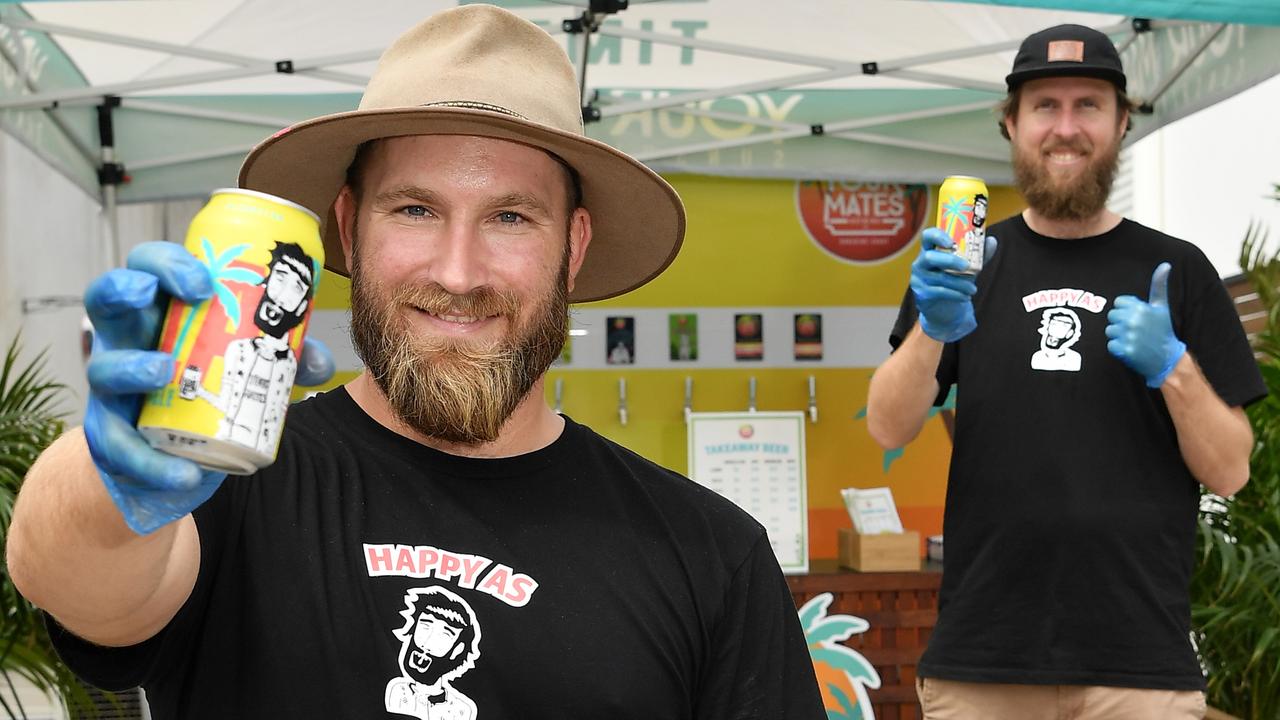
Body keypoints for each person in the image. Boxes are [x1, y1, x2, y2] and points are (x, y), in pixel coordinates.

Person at [6, 6, 825, 719]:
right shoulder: (233, 485)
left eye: (510, 216)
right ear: (350, 226)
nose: (458, 272)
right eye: (415, 209)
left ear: (572, 248)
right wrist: (112, 482)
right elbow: (78, 582)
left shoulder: (711, 554)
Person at [866, 23, 1264, 720]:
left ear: (1120, 124)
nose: (1067, 128)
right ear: (1012, 124)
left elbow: (1230, 471)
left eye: (1089, 106)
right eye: (1046, 106)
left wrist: (1175, 368)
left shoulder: (1179, 271)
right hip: (982, 665)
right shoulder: (964, 268)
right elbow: (886, 424)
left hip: (1139, 671)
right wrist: (931, 327)